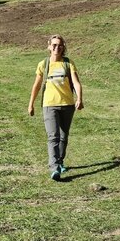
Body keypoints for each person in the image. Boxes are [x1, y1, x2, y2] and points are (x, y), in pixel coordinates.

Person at [28, 35, 84, 180]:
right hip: (49, 105)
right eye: (53, 45)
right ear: (49, 46)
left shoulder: (68, 63)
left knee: (64, 137)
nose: (56, 48)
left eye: (59, 45)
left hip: (67, 105)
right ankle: (54, 168)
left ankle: (59, 162)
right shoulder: (43, 64)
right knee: (53, 136)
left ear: (63, 47)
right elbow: (37, 85)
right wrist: (31, 104)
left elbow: (76, 83)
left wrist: (79, 98)